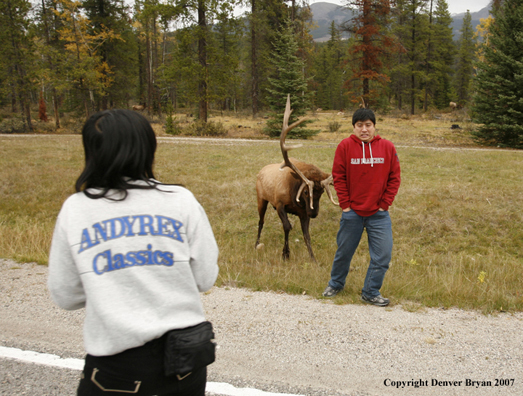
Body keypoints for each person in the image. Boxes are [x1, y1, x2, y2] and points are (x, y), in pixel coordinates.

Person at [48, 109, 219, 395]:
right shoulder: (181, 201)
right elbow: (205, 279)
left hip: (117, 369)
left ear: (91, 151)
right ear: (148, 148)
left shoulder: (76, 209)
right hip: (186, 362)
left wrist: (108, 285)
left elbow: (66, 295)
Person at [322, 108, 400, 306]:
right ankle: (336, 284)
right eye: (359, 125)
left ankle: (370, 291)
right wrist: (346, 206)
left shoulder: (387, 147)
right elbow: (338, 177)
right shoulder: (345, 147)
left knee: (382, 255)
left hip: (379, 215)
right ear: (354, 127)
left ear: (374, 126)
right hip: (352, 213)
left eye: (368, 125)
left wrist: (385, 204)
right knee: (344, 252)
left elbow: (394, 178)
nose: (364, 129)